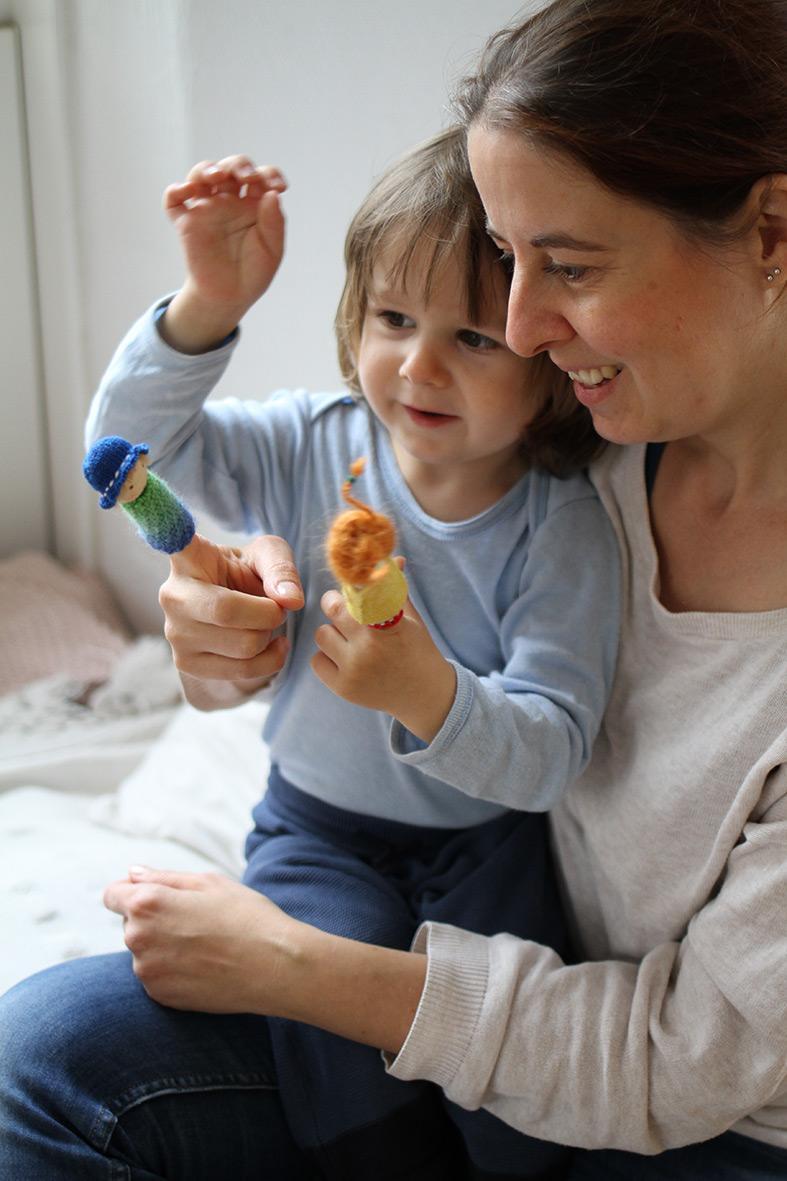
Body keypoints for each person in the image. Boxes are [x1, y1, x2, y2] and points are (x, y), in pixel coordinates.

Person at [2, 0, 787, 1177]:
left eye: (563, 265)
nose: (519, 330)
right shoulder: (601, 428)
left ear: (771, 230)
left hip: (694, 1114)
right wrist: (215, 640)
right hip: (402, 909)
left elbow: (676, 1062)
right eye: (506, 263)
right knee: (41, 1058)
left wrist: (285, 963)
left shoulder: (559, 499)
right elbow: (138, 463)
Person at [79, 123, 616, 1179]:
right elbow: (126, 454)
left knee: (513, 1086)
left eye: (473, 338)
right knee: (330, 1046)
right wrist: (208, 303)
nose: (416, 362)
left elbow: (553, 748)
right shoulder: (308, 441)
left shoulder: (566, 526)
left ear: (550, 360)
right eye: (393, 317)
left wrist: (428, 692)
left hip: (487, 842)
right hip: (318, 824)